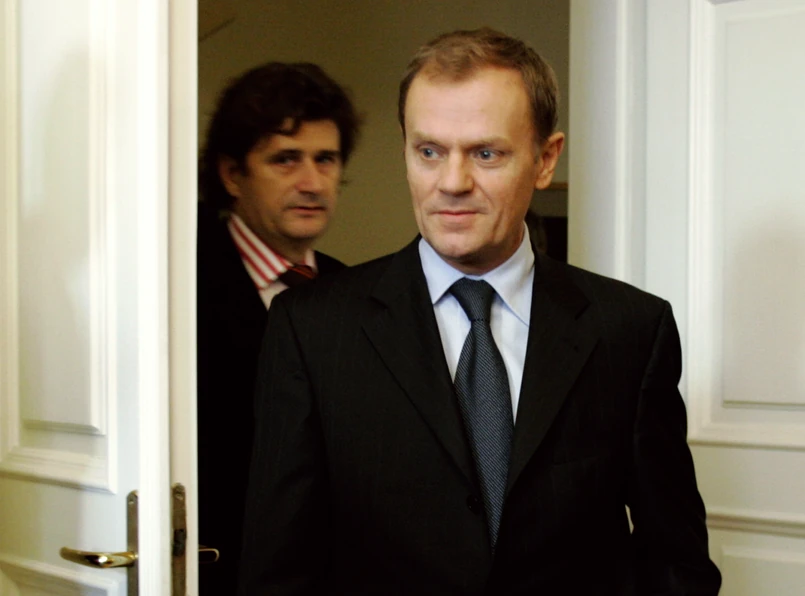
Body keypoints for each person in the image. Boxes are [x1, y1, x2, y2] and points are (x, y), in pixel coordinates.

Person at [238, 29, 721, 595]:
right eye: (429, 152)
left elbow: (677, 562)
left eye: (486, 154)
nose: (452, 183)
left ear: (545, 160)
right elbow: (278, 570)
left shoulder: (630, 330)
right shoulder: (313, 328)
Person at [196, 61, 360, 594]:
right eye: (286, 159)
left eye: (325, 159)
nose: (311, 183)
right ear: (232, 174)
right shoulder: (180, 285)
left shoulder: (355, 292)